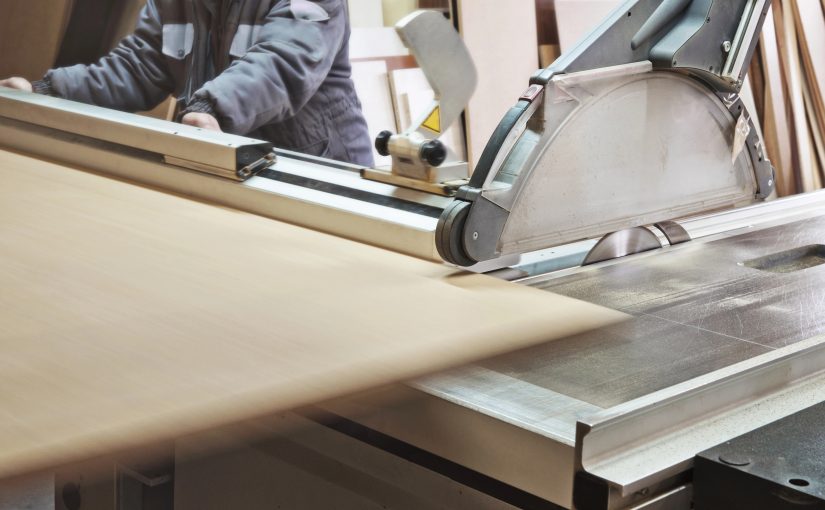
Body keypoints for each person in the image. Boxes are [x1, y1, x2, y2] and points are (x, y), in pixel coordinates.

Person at [0, 0, 374, 166]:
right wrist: (48, 93)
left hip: (316, 173)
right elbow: (138, 65)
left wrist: (212, 109)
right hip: (227, 161)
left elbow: (282, 63)